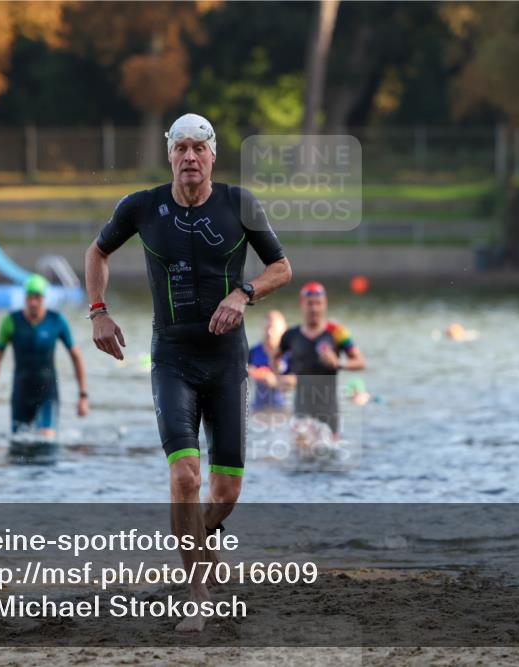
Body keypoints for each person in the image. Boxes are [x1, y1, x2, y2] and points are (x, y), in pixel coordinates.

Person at [84, 113, 292, 632]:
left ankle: (193, 542)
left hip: (225, 361)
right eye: (181, 148)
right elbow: (97, 251)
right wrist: (98, 310)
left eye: (200, 148)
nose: (191, 157)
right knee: (184, 475)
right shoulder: (141, 207)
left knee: (225, 493)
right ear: (169, 155)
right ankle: (196, 593)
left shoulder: (238, 204)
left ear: (213, 155)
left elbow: (282, 268)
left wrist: (244, 294)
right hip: (172, 358)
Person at [0, 274, 89, 439]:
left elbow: (76, 356)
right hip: (21, 393)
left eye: (37, 297)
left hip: (47, 393)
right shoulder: (11, 321)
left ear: (44, 298)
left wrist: (83, 395)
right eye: (29, 297)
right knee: (19, 445)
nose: (33, 302)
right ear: (25, 297)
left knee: (46, 440)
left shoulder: (57, 321)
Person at [273, 282, 366, 439]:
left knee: (329, 455)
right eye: (310, 304)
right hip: (301, 406)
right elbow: (275, 357)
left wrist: (338, 363)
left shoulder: (337, 332)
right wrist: (279, 378)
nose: (314, 308)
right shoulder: (291, 335)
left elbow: (360, 362)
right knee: (302, 452)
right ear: (302, 304)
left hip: (329, 409)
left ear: (325, 304)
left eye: (318, 303)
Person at [247, 310, 293, 412]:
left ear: (284, 330)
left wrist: (275, 381)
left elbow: (297, 381)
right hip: (258, 409)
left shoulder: (290, 354)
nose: (269, 332)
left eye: (273, 328)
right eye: (267, 327)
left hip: (282, 409)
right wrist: (251, 372)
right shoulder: (253, 352)